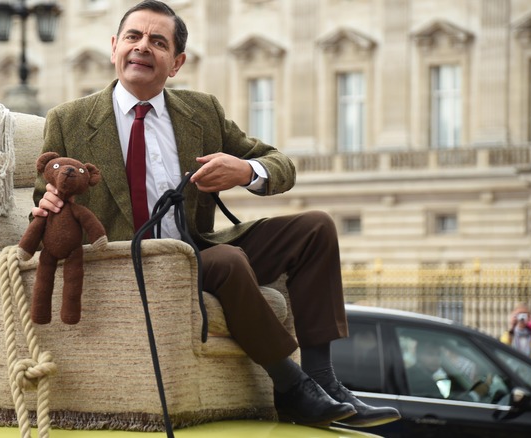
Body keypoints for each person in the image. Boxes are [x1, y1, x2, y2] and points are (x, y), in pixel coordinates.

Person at [31, 0, 399, 428]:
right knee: (227, 261)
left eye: (158, 42)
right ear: (114, 47)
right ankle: (292, 387)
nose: (142, 47)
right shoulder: (69, 120)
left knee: (314, 227)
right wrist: (46, 208)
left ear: (177, 63)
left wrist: (245, 170)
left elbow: (282, 165)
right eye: (133, 37)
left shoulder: (200, 112)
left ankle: (323, 378)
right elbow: (47, 199)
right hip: (131, 261)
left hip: (196, 250)